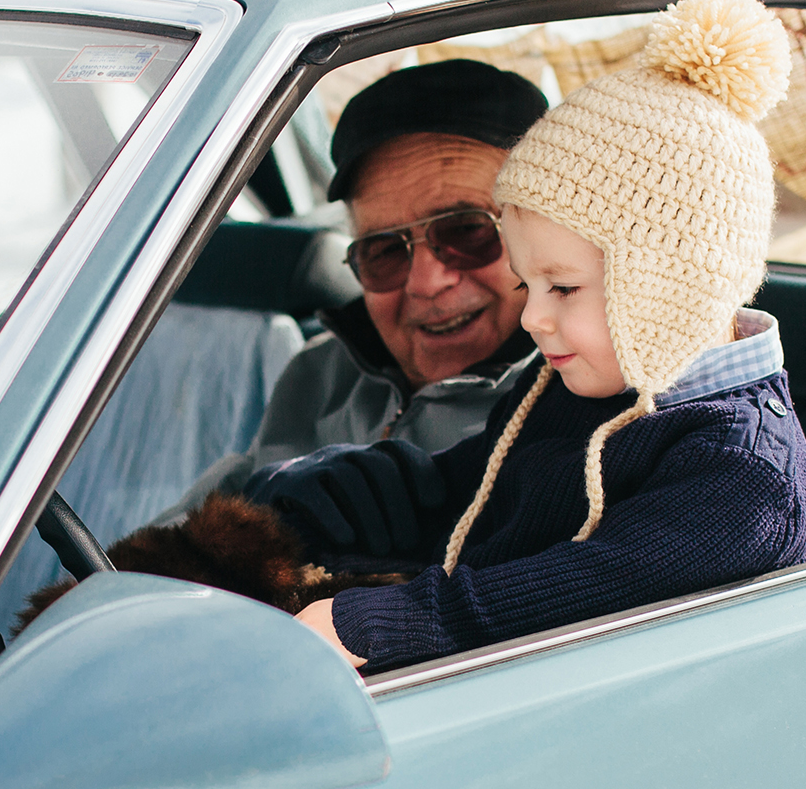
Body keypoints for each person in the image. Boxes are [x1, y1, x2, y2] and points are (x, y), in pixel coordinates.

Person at [253, 0, 806, 673]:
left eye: (563, 286)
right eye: (529, 282)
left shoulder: (744, 479)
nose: (533, 315)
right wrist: (311, 501)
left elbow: (567, 596)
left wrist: (369, 626)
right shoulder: (582, 385)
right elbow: (460, 483)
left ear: (675, 277)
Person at [163, 59, 548, 518]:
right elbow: (204, 520)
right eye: (384, 250)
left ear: (546, 225)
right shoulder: (320, 376)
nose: (425, 283)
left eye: (466, 230)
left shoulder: (583, 388)